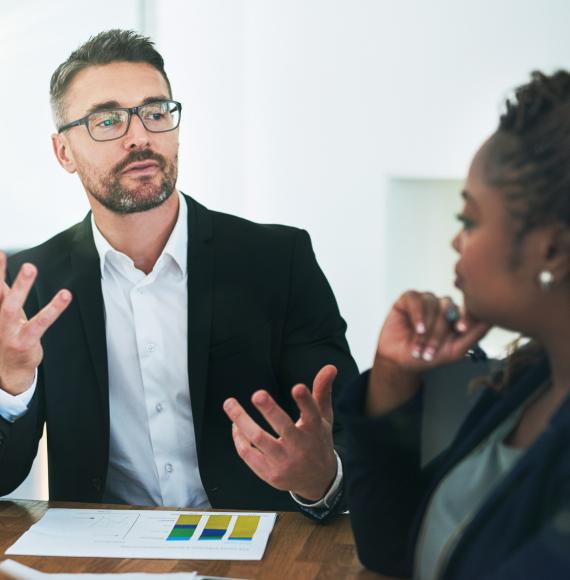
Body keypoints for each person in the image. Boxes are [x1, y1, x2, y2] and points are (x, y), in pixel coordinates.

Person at [0, 30, 358, 518]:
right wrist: (13, 385)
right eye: (107, 119)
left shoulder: (278, 259)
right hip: (98, 559)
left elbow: (346, 433)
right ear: (64, 152)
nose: (140, 136)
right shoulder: (29, 286)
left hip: (256, 550)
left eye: (155, 112)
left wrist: (320, 479)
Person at [342, 70, 570, 578]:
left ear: (551, 249)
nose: (456, 243)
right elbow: (390, 547)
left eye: (469, 221)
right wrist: (393, 376)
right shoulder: (528, 383)